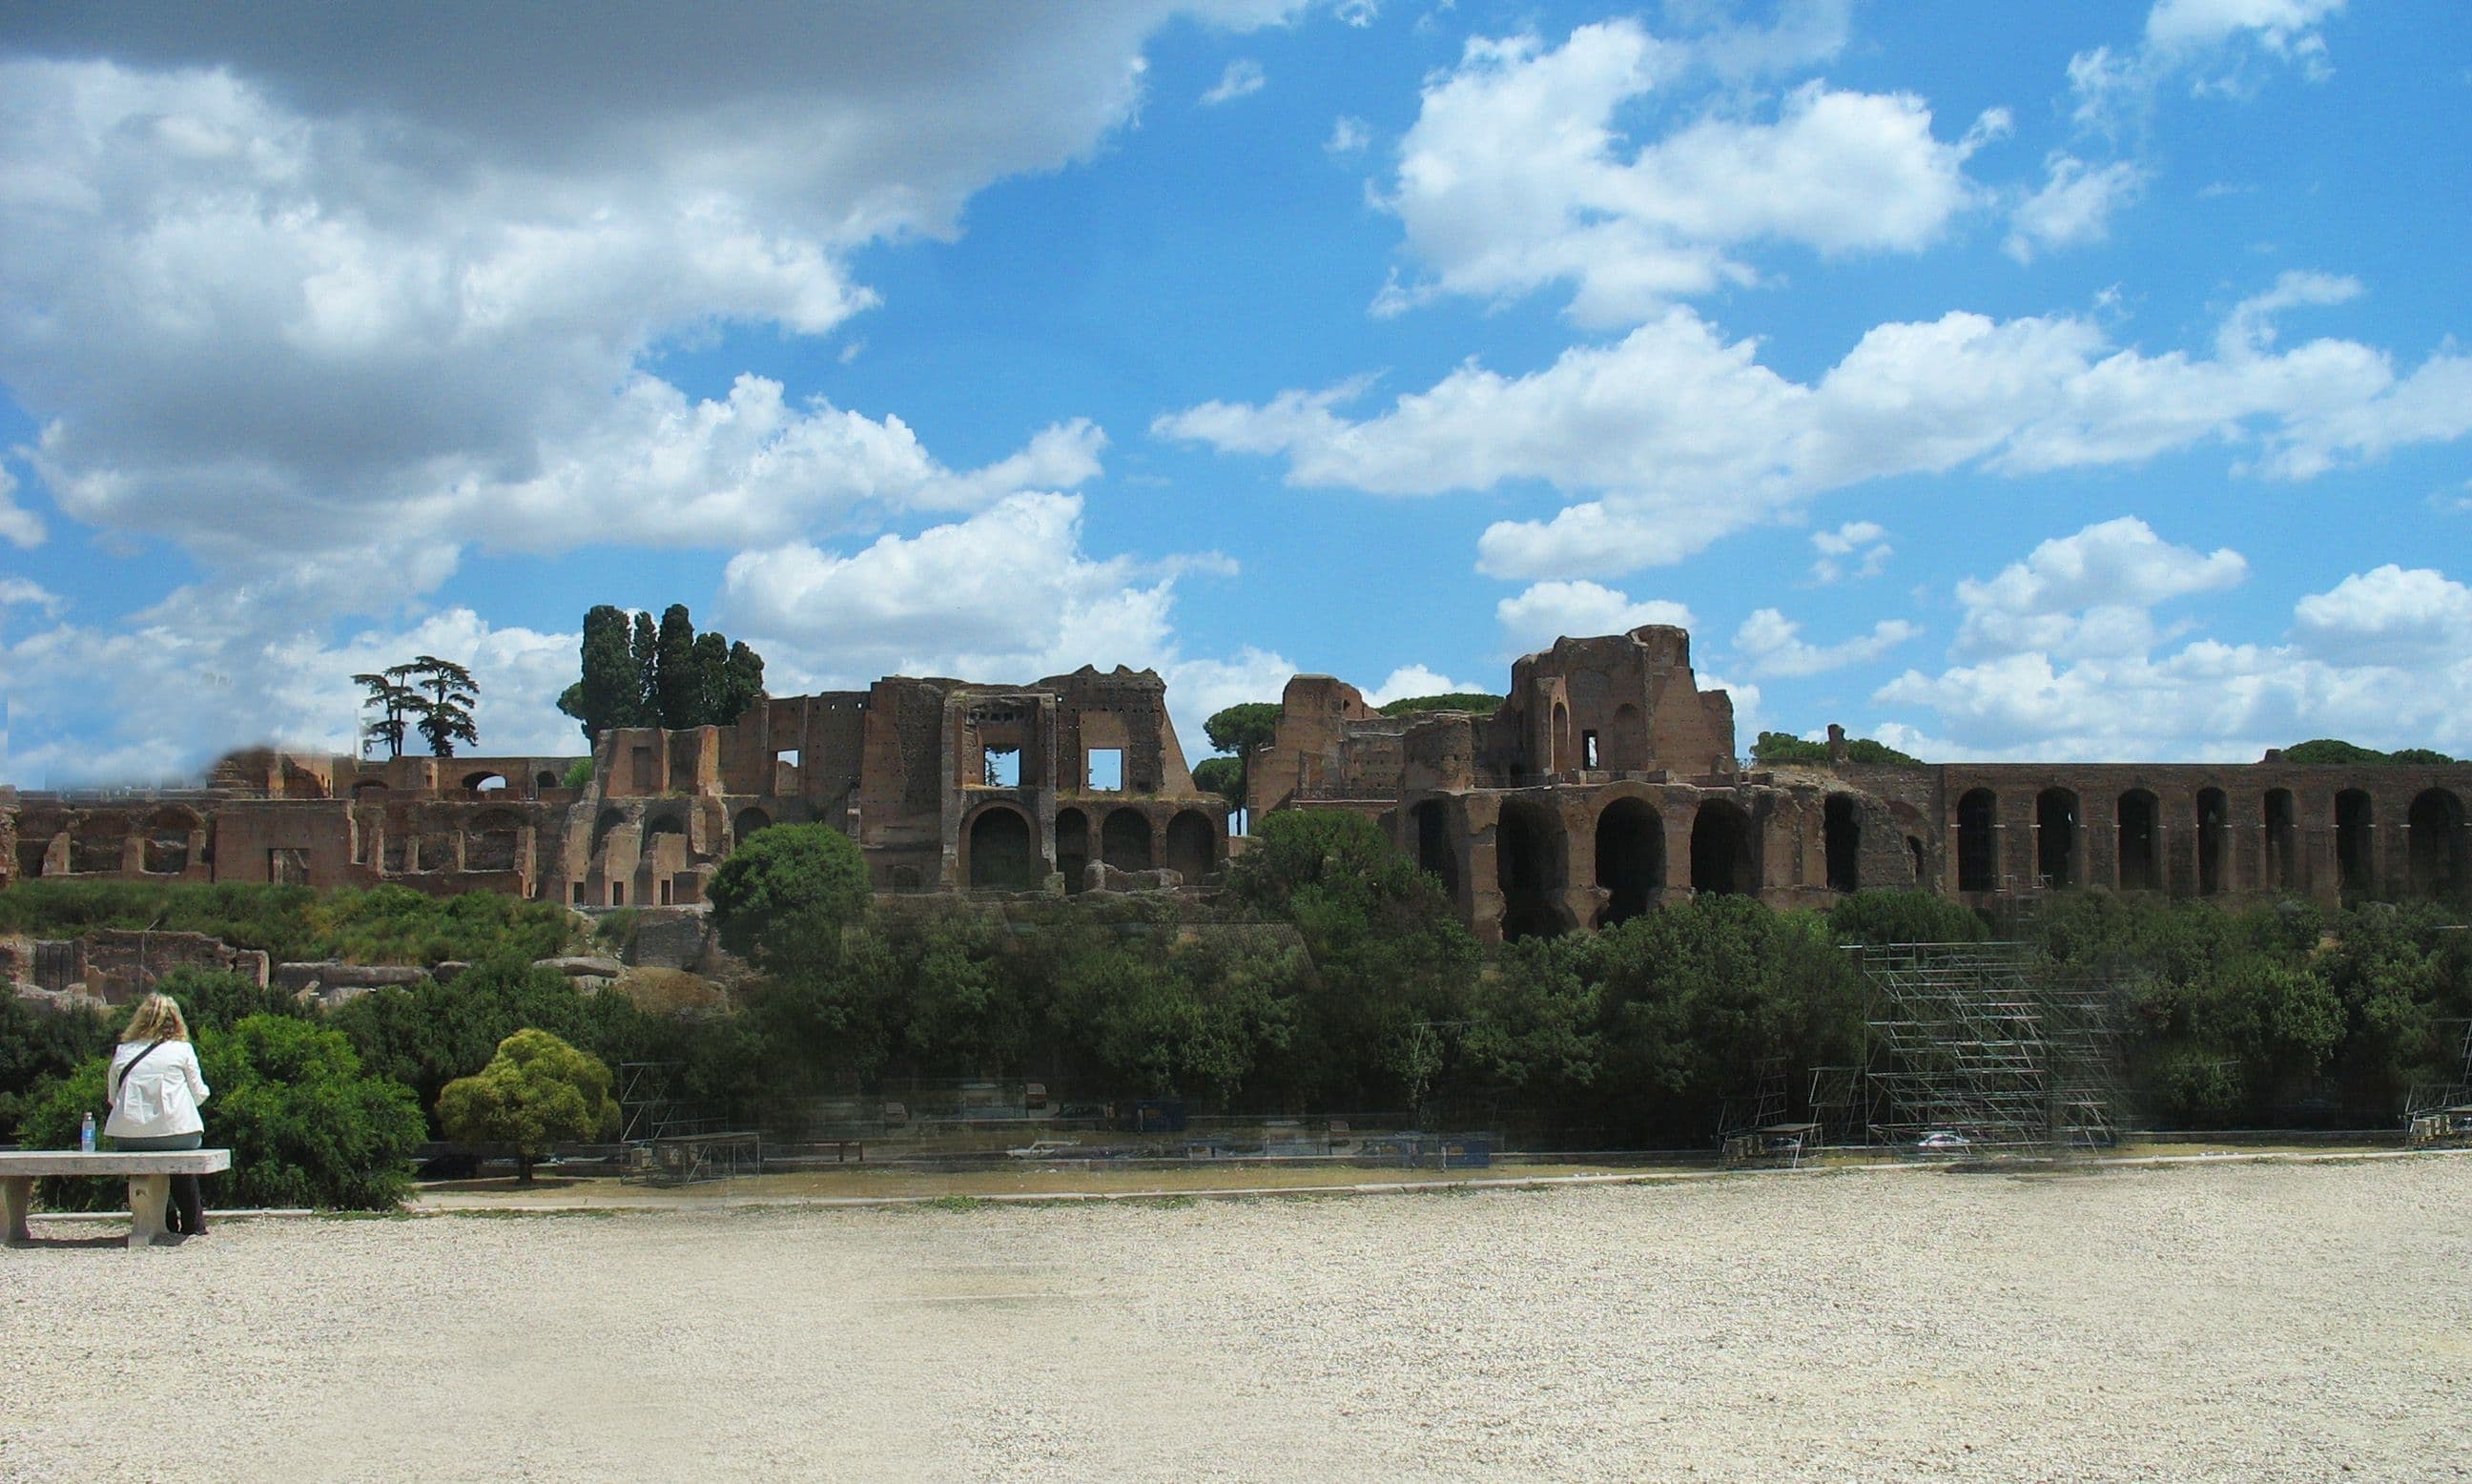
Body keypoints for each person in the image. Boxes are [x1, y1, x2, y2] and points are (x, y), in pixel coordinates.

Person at [104, 993, 213, 1237]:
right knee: (182, 1164)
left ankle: (163, 1220)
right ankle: (194, 1225)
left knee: (147, 1163)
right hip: (178, 1133)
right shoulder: (182, 1049)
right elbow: (200, 1093)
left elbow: (113, 1098)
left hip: (128, 1136)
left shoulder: (122, 1051)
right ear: (176, 1021)